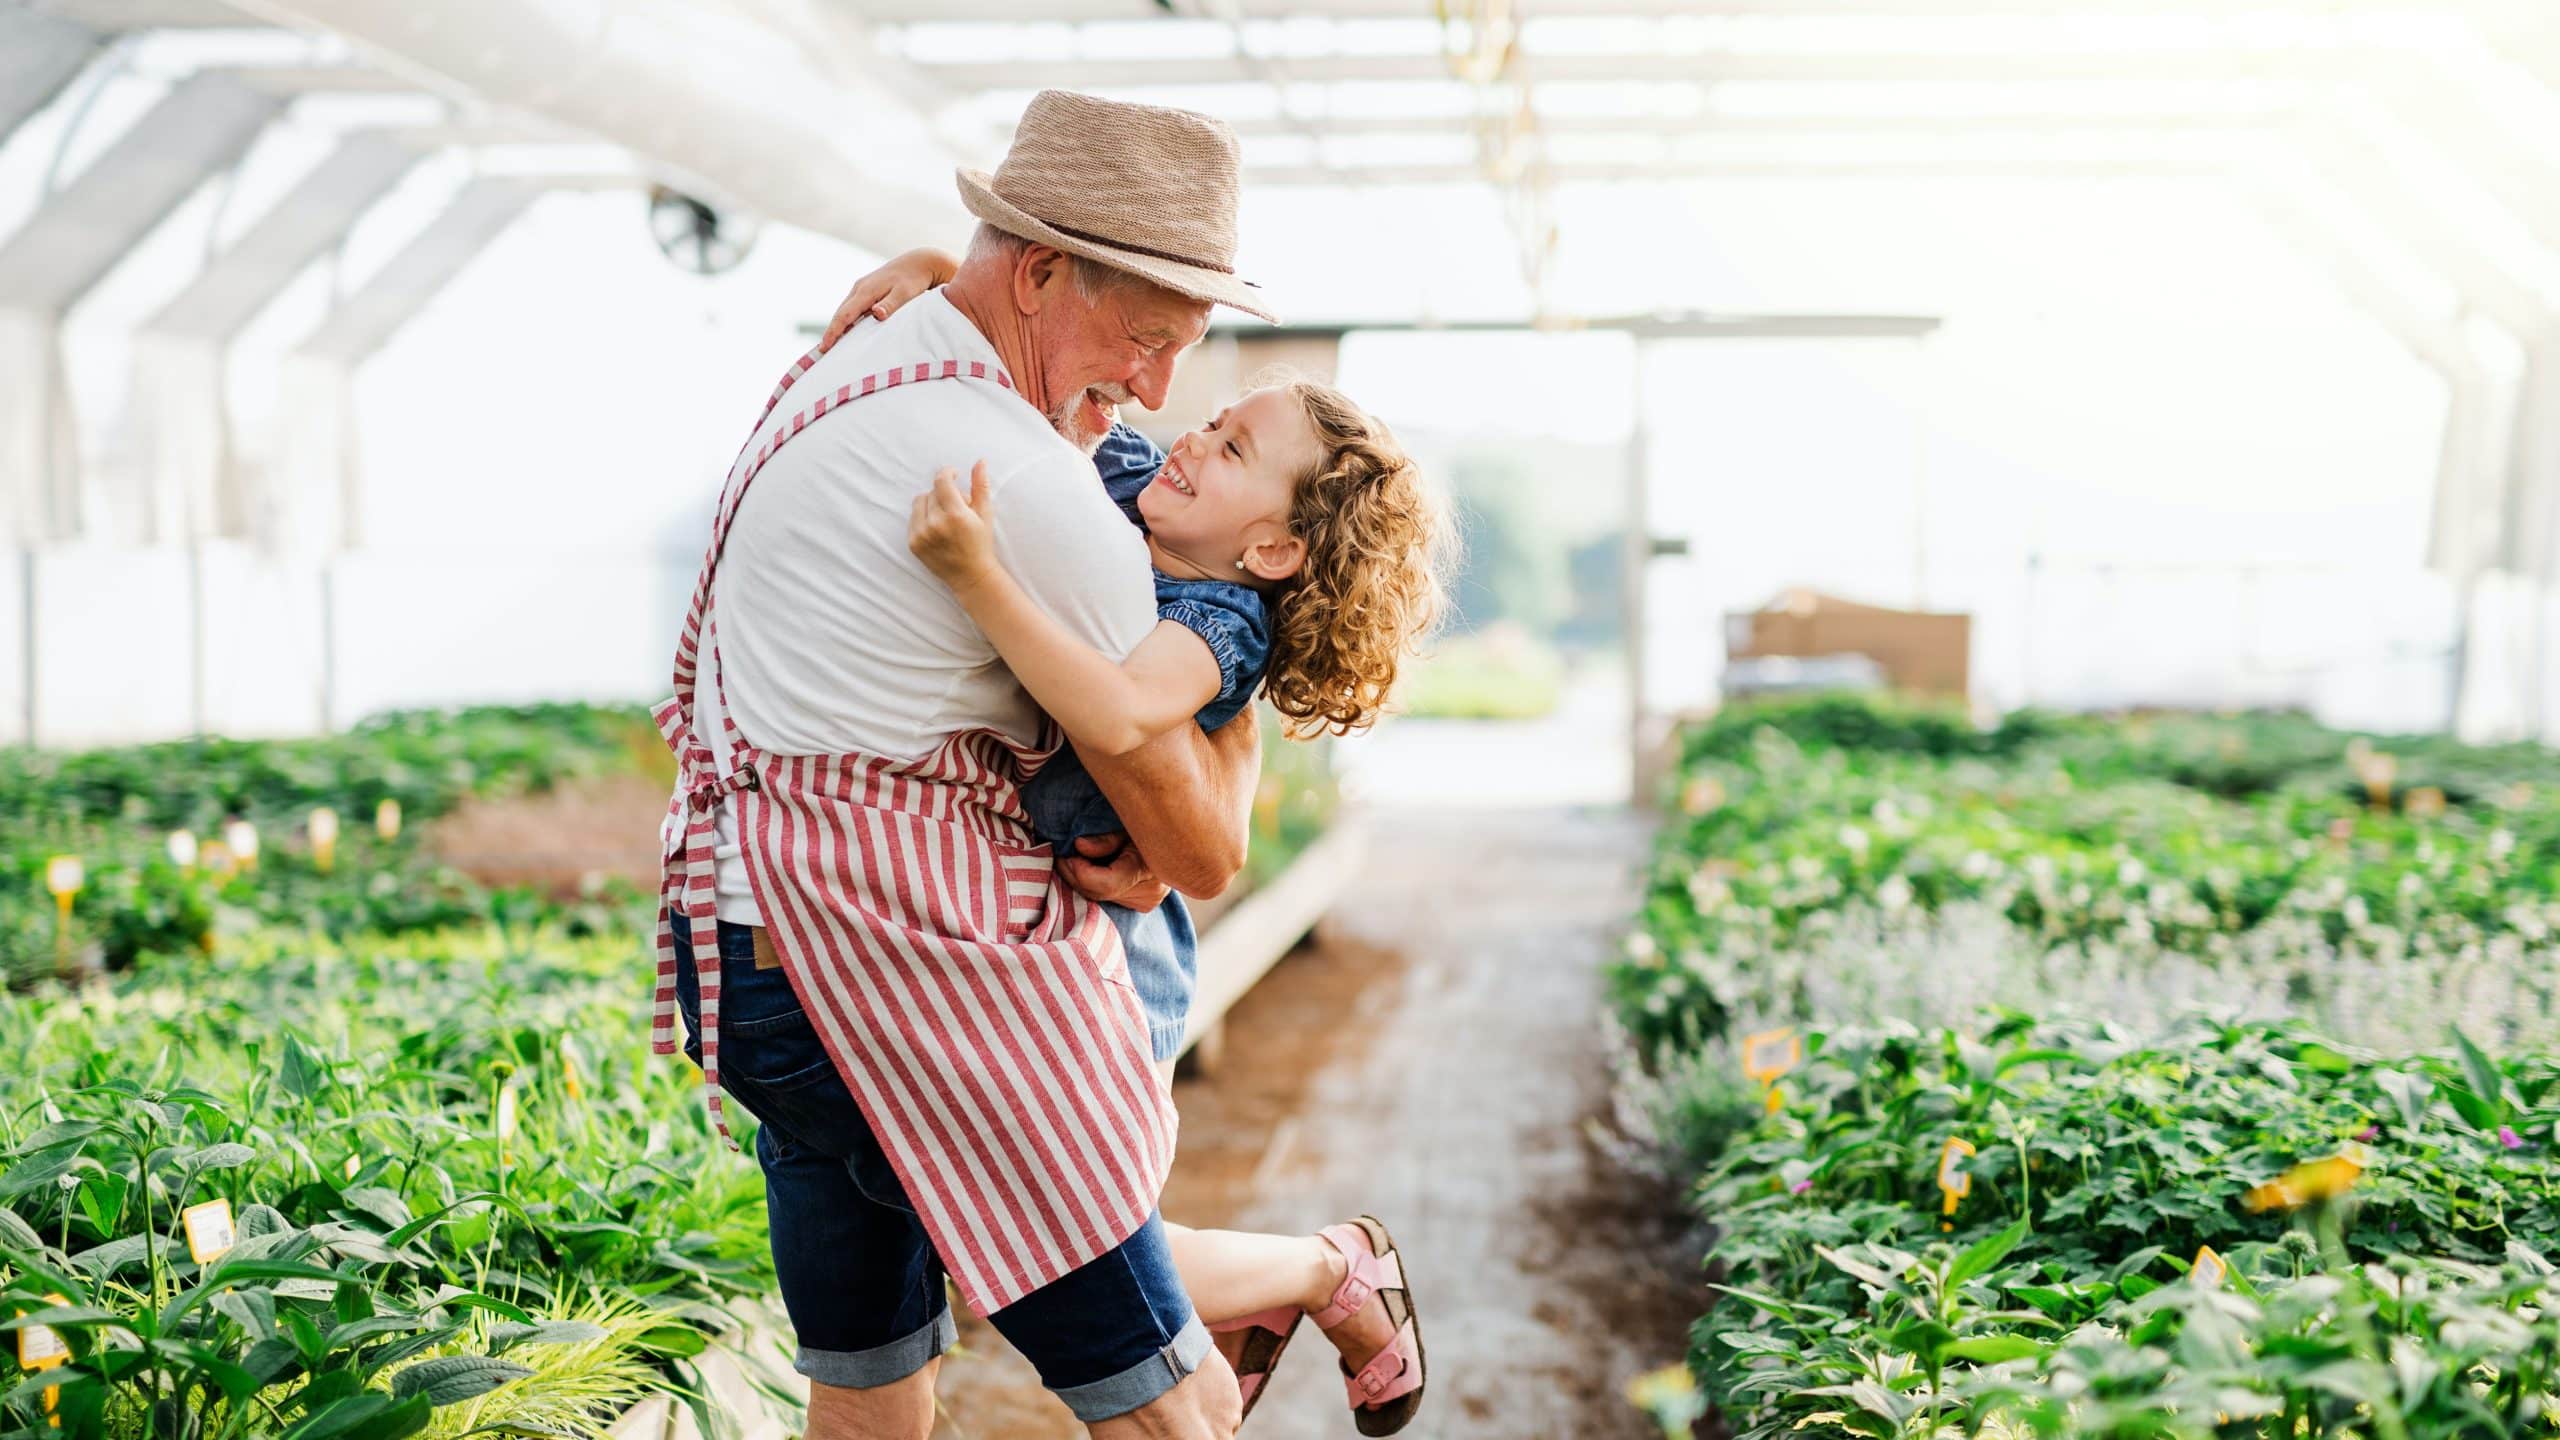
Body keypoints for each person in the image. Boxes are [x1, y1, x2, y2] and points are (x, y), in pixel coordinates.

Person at [655, 90, 1268, 1440]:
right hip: (909, 981)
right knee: (1170, 1397)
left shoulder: (863, 356)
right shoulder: (1023, 485)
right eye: (1144, 341)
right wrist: (1244, 675)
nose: (1160, 395)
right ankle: (1329, 1273)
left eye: (1185, 355)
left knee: (868, 1375)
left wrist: (948, 267)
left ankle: (1319, 1275)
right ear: (1040, 271)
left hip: (755, 966)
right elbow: (1202, 856)